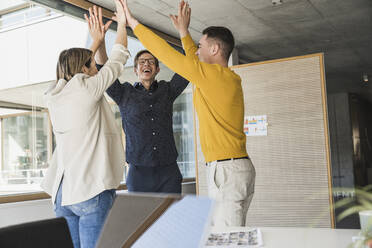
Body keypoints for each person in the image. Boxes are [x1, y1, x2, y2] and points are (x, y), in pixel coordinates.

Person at [122, 0, 256, 226]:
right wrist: (183, 32)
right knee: (228, 234)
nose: (196, 50)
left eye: (201, 46)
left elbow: (166, 54)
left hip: (227, 170)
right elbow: (192, 59)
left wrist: (133, 23)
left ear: (214, 49)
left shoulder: (210, 75)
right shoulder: (223, 78)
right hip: (233, 167)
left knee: (228, 238)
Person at [41, 2, 129, 247]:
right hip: (90, 190)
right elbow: (119, 57)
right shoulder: (88, 89)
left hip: (63, 193)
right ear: (83, 69)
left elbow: (73, 72)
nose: (95, 70)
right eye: (91, 66)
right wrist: (122, 23)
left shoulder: (53, 96)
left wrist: (95, 42)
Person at [95, 33, 188, 193]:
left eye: (151, 62)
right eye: (142, 62)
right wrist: (100, 41)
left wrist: (184, 33)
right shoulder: (124, 93)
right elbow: (104, 69)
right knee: (142, 218)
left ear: (157, 69)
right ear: (136, 70)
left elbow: (188, 69)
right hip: (139, 172)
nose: (147, 64)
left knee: (171, 217)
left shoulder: (167, 90)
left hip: (169, 171)